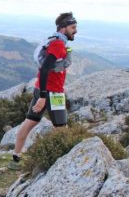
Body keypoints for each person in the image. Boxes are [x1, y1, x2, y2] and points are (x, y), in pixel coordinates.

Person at [9, 12, 78, 170]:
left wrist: (41, 93)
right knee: (61, 129)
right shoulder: (58, 45)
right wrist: (43, 97)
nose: (75, 31)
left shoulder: (53, 41)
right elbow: (45, 69)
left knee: (29, 123)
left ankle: (15, 158)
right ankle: (60, 163)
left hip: (41, 89)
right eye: (73, 27)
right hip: (52, 93)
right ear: (63, 28)